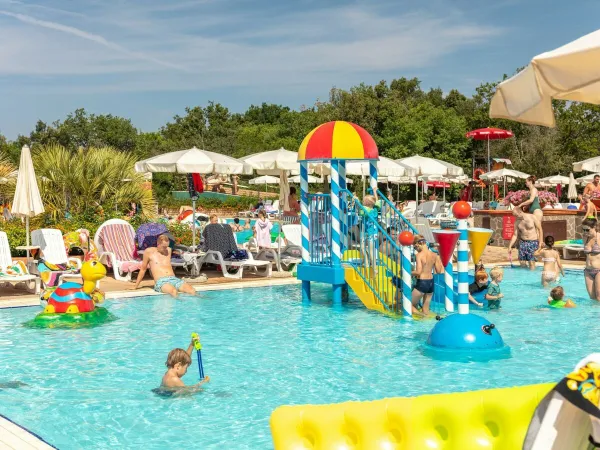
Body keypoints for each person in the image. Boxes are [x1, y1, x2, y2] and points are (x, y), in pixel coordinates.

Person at [131, 234, 197, 297]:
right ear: (158, 244)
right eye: (164, 247)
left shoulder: (169, 250)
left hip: (174, 279)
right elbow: (143, 269)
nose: (165, 248)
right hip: (161, 281)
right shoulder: (149, 252)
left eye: (166, 246)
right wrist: (135, 286)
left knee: (192, 290)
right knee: (173, 291)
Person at [411, 235, 443, 316]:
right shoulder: (434, 255)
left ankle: (422, 316)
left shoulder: (419, 255)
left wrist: (408, 273)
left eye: (415, 247)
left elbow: (418, 272)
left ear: (418, 244)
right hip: (431, 283)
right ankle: (426, 319)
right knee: (425, 309)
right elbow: (439, 271)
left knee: (407, 304)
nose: (416, 249)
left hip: (422, 282)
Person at [583, 218, 600, 300]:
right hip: (588, 271)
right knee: (592, 298)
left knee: (599, 296)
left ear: (594, 227)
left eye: (587, 230)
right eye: (583, 230)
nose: (585, 232)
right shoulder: (585, 238)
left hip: (599, 271)